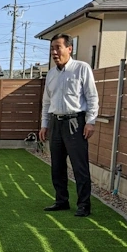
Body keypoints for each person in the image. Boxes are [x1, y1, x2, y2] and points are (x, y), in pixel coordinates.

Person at [39, 33, 99, 217]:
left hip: (76, 123)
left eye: (58, 47)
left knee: (79, 166)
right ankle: (61, 201)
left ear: (69, 48)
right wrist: (44, 125)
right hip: (55, 123)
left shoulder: (82, 68)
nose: (54, 52)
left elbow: (92, 97)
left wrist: (90, 121)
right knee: (57, 166)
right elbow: (46, 102)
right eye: (52, 48)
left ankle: (84, 205)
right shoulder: (51, 74)